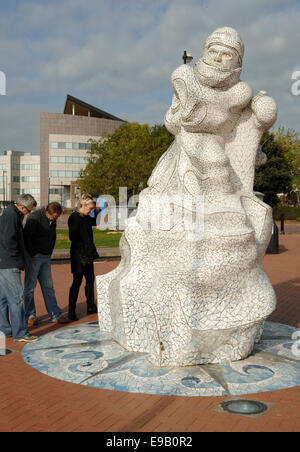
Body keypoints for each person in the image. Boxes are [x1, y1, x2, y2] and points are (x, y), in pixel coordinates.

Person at [0, 194, 39, 343]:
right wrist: (18, 258)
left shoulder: (8, 213)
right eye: (28, 211)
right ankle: (20, 333)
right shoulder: (12, 216)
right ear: (22, 207)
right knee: (16, 298)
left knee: (3, 299)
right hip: (10, 263)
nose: (29, 213)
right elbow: (9, 240)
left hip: (3, 262)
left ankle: (5, 329)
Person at [23, 202, 69, 327]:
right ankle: (30, 315)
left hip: (46, 256)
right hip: (34, 257)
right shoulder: (34, 217)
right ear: (47, 212)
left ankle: (55, 315)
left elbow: (53, 235)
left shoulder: (52, 218)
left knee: (48, 287)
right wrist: (33, 253)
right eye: (54, 217)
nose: (55, 219)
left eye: (57, 217)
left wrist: (50, 251)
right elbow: (26, 236)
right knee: (29, 288)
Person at [68, 195, 100, 321]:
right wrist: (84, 246)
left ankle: (91, 305)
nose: (90, 211)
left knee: (90, 280)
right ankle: (71, 310)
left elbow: (95, 221)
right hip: (78, 255)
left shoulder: (86, 218)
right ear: (84, 206)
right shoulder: (74, 217)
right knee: (77, 282)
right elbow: (73, 237)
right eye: (90, 209)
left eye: (92, 209)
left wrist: (99, 211)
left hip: (88, 254)